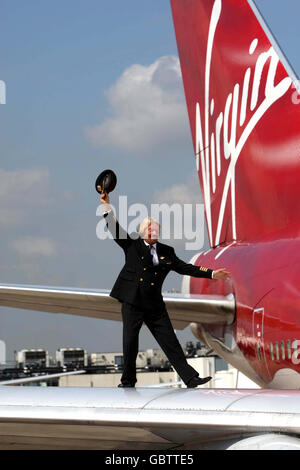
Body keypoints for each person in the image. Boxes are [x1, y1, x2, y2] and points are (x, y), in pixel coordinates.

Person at [100, 191, 230, 388]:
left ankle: (190, 378)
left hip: (154, 303)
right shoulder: (132, 245)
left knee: (170, 341)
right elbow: (114, 228)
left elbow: (185, 268)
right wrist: (106, 205)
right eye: (151, 230)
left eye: (156, 230)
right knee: (130, 342)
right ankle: (127, 381)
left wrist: (212, 274)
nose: (154, 233)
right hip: (132, 301)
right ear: (143, 232)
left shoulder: (166, 251)